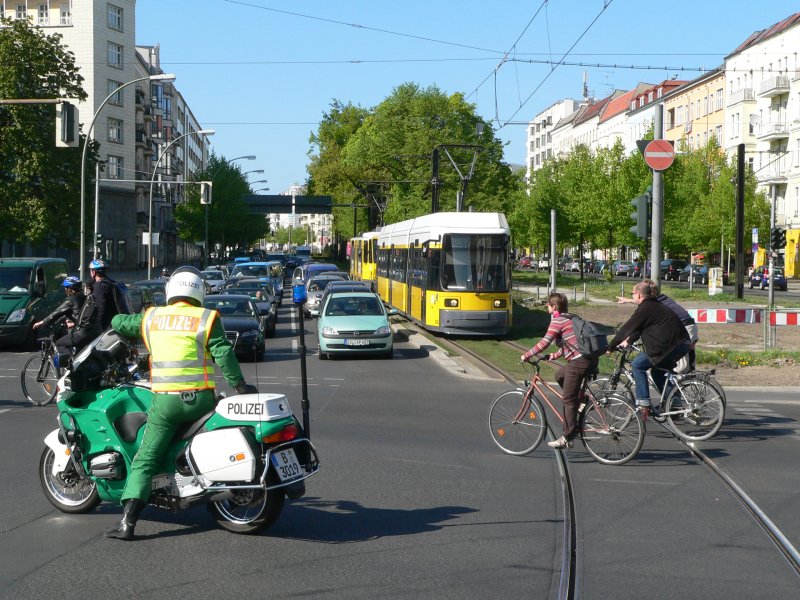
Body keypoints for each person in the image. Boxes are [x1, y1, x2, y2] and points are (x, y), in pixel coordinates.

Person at [104, 266, 257, 541]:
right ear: (199, 291)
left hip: (167, 404)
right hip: (201, 400)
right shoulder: (206, 318)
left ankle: (128, 522)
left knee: (145, 457)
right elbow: (223, 353)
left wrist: (113, 313)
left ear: (170, 291)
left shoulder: (152, 318)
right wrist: (240, 387)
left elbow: (119, 323)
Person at [520, 292, 598, 449]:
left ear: (554, 306)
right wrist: (554, 356)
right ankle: (581, 401)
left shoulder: (557, 321)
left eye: (548, 305)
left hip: (579, 363)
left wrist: (526, 355)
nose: (547, 307)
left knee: (568, 399)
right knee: (559, 375)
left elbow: (544, 343)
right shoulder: (571, 318)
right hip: (588, 359)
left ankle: (567, 437)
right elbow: (571, 344)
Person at [608, 281, 691, 420]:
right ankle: (674, 402)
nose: (632, 296)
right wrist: (627, 342)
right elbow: (637, 330)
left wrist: (611, 346)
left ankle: (643, 404)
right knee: (657, 372)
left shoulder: (645, 308)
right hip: (680, 344)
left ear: (639, 294)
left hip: (668, 346)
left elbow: (627, 328)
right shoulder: (654, 305)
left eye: (632, 293)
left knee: (637, 365)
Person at [616, 279, 698, 370]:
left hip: (686, 326)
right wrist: (627, 300)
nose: (643, 293)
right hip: (685, 326)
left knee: (681, 362)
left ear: (652, 293)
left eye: (645, 290)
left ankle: (682, 381)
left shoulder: (656, 304)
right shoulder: (661, 299)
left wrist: (627, 339)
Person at [32, 276, 100, 363]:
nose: (65, 290)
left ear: (69, 289)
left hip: (82, 332)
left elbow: (56, 313)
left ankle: (70, 368)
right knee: (80, 351)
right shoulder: (85, 297)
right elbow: (82, 315)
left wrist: (42, 323)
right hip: (94, 330)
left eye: (65, 288)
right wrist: (74, 323)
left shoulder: (71, 300)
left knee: (59, 344)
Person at [87, 259, 118, 330]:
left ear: (93, 272)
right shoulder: (112, 283)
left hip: (106, 325)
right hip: (115, 320)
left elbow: (100, 307)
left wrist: (97, 326)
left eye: (91, 271)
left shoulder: (100, 286)